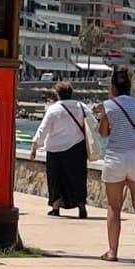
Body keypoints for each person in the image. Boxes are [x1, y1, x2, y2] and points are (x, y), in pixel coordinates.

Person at [96, 64, 135, 262]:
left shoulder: (109, 106)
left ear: (113, 87)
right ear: (130, 86)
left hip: (115, 158)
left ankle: (112, 251)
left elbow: (103, 133)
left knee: (114, 206)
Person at [32, 84, 92, 218]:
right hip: (77, 148)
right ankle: (81, 207)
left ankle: (56, 209)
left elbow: (43, 129)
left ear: (58, 94)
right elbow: (93, 123)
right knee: (78, 178)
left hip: (56, 149)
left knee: (55, 179)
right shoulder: (82, 107)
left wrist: (35, 145)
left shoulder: (54, 109)